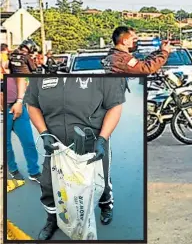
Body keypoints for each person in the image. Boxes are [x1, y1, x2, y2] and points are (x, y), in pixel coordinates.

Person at [25, 77, 126, 239]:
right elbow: (32, 105)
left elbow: (115, 106)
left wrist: (102, 139)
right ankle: (53, 219)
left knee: (100, 181)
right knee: (49, 184)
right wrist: (43, 133)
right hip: (56, 144)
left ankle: (106, 205)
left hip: (92, 141)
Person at [6, 77, 41, 183]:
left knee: (29, 142)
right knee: (6, 146)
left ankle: (34, 172)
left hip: (17, 106)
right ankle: (13, 169)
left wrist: (19, 102)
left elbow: (20, 78)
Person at [103, 26, 170, 74]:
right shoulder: (122, 59)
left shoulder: (115, 55)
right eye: (134, 39)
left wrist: (159, 51)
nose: (136, 42)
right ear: (125, 41)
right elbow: (145, 69)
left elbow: (141, 64)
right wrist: (164, 52)